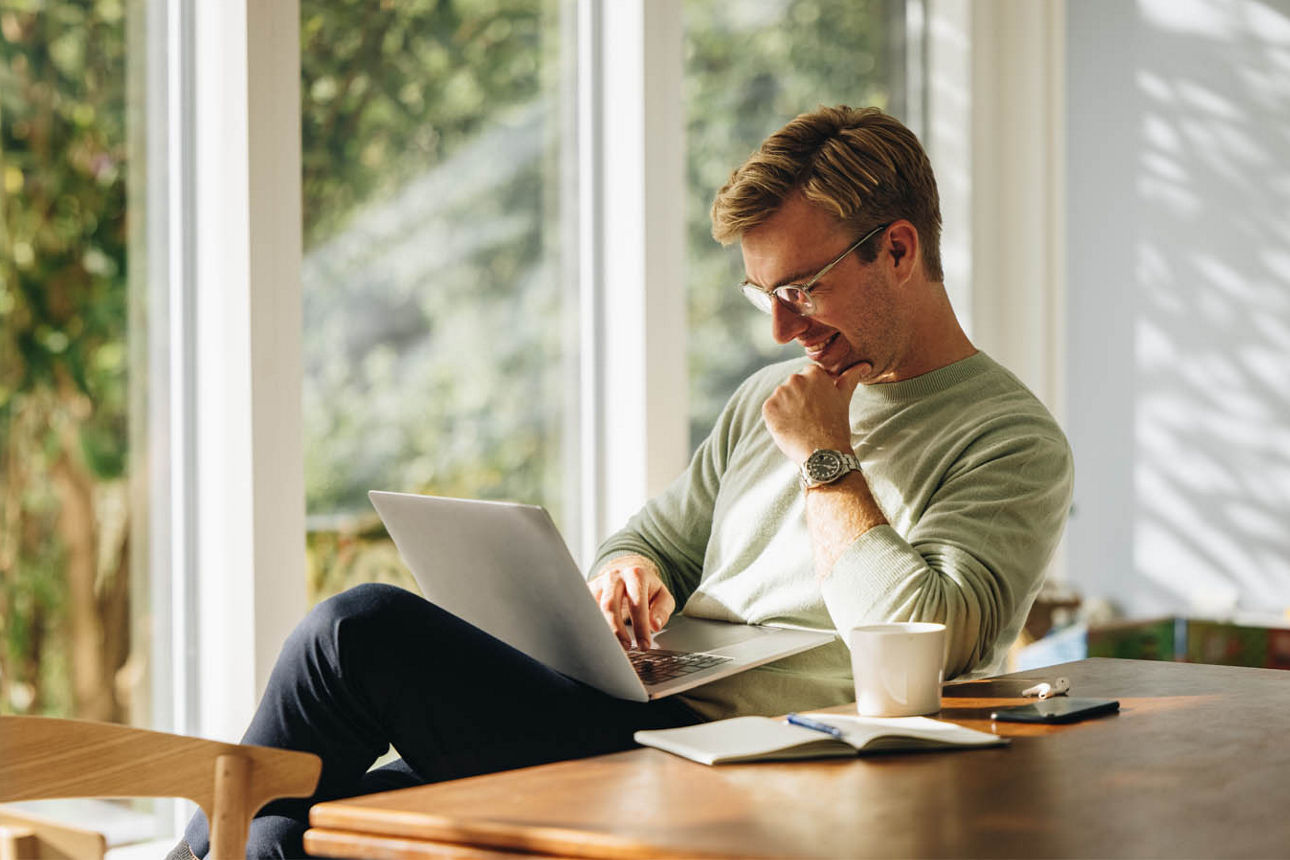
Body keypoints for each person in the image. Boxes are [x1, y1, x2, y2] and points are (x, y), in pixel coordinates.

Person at [172, 105, 1072, 859]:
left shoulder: (1011, 440)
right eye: (765, 297)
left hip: (750, 762)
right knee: (289, 834)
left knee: (356, 630)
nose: (779, 332)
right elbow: (652, 539)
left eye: (802, 288)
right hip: (632, 713)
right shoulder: (769, 397)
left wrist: (826, 460)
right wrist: (626, 575)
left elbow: (936, 640)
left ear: (899, 250)